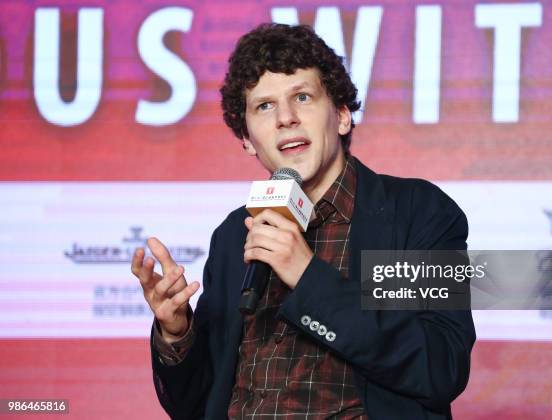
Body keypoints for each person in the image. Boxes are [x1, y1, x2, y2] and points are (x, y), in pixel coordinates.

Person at [131, 23, 475, 420]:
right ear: (246, 139)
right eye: (264, 106)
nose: (286, 118)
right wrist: (177, 332)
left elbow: (440, 367)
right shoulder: (234, 234)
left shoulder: (413, 212)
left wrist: (308, 277)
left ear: (343, 116)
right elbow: (194, 405)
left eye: (303, 97)